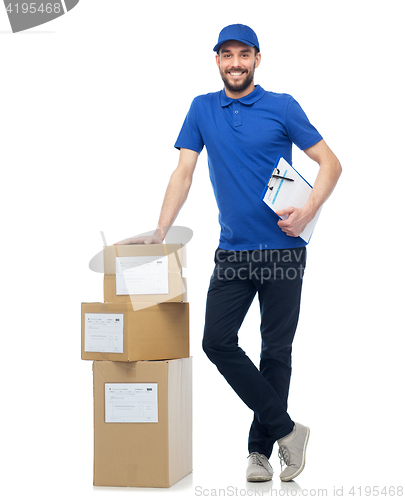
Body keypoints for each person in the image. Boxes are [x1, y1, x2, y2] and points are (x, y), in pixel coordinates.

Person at [116, 24, 341, 482]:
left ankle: (260, 452)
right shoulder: (201, 109)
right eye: (226, 55)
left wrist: (307, 211)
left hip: (283, 250)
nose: (235, 63)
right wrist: (161, 229)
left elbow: (331, 163)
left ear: (258, 59)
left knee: (275, 351)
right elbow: (183, 173)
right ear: (216, 60)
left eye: (244, 55)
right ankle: (287, 431)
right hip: (234, 252)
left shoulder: (281, 105)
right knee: (216, 341)